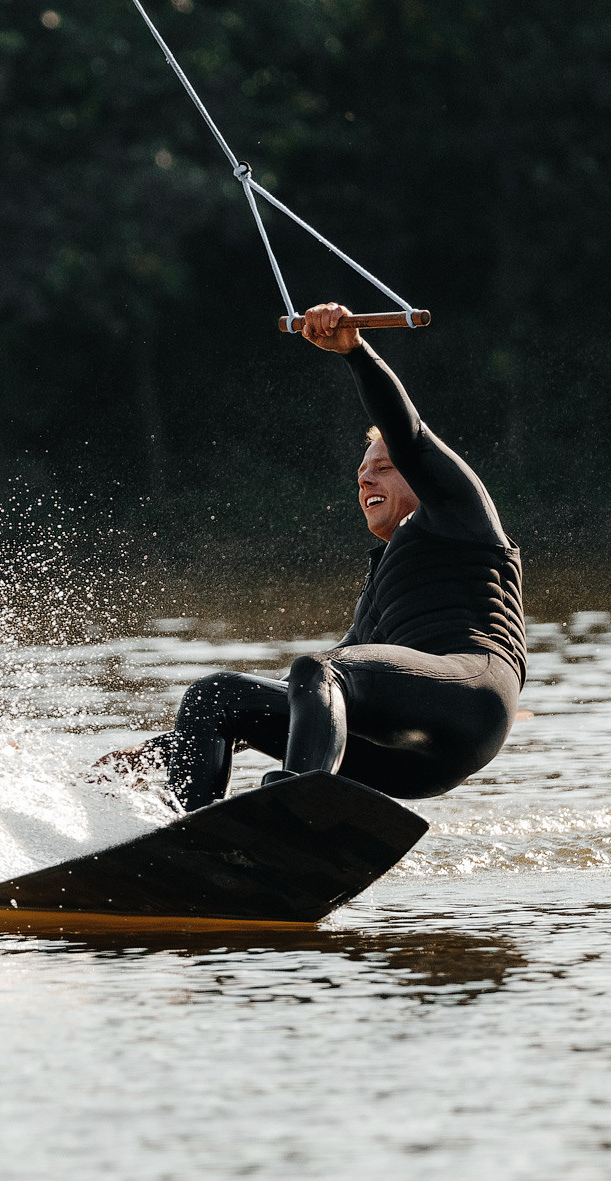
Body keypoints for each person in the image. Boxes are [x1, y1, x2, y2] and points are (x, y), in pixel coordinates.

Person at [102, 301, 525, 809]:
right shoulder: (382, 580)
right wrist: (156, 754)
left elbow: (408, 432)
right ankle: (191, 834)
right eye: (362, 474)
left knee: (321, 669)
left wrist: (356, 352)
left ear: (421, 474)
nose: (366, 478)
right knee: (217, 697)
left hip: (471, 701)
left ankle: (299, 809)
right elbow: (307, 700)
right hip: (399, 753)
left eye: (384, 468)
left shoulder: (462, 514)